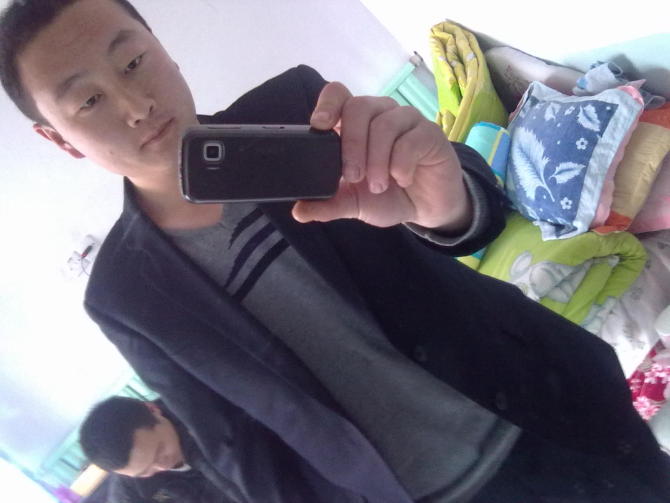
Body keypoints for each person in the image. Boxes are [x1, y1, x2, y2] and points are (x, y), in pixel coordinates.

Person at [1, 0, 669, 501]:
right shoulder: (123, 293)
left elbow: (479, 210)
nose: (135, 104)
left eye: (133, 62)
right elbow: (237, 446)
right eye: (88, 99)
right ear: (58, 139)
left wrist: (446, 204)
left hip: (552, 411)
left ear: (163, 50)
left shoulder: (299, 109)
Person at [79, 396, 231, 503]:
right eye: (144, 471)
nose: (163, 466)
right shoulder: (131, 486)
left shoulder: (209, 413)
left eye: (159, 451)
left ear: (153, 409)